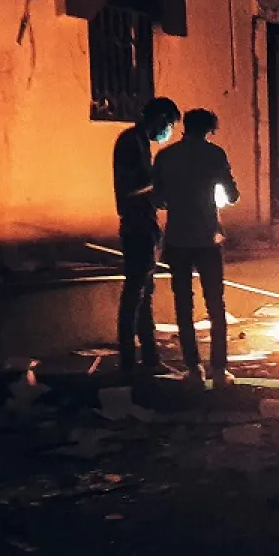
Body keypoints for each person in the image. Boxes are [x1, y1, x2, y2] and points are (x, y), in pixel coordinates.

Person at [152, 108, 241, 388]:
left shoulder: (165, 157)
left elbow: (158, 200)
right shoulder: (215, 155)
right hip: (207, 239)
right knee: (216, 305)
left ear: (185, 128)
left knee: (183, 305)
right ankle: (219, 369)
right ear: (209, 130)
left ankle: (193, 368)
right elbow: (233, 195)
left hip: (178, 239)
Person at [112, 97, 179, 380]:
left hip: (144, 225)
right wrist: (163, 180)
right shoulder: (131, 142)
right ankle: (130, 361)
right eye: (169, 125)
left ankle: (149, 358)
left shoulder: (138, 142)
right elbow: (132, 186)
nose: (168, 132)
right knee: (136, 294)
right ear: (160, 118)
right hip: (137, 227)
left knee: (143, 294)